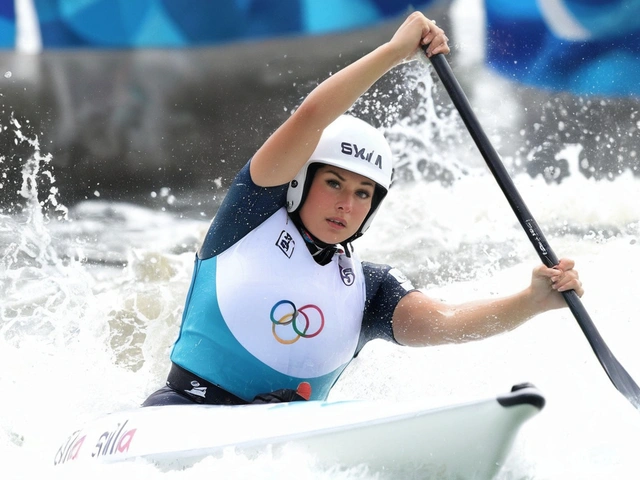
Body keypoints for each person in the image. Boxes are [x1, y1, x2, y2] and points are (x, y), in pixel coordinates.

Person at [143, 12, 583, 407]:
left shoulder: (369, 288)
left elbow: (447, 322)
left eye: (362, 194)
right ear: (299, 182)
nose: (345, 204)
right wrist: (394, 53)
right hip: (185, 412)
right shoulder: (249, 217)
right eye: (334, 183)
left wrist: (530, 302)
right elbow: (310, 117)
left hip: (289, 438)